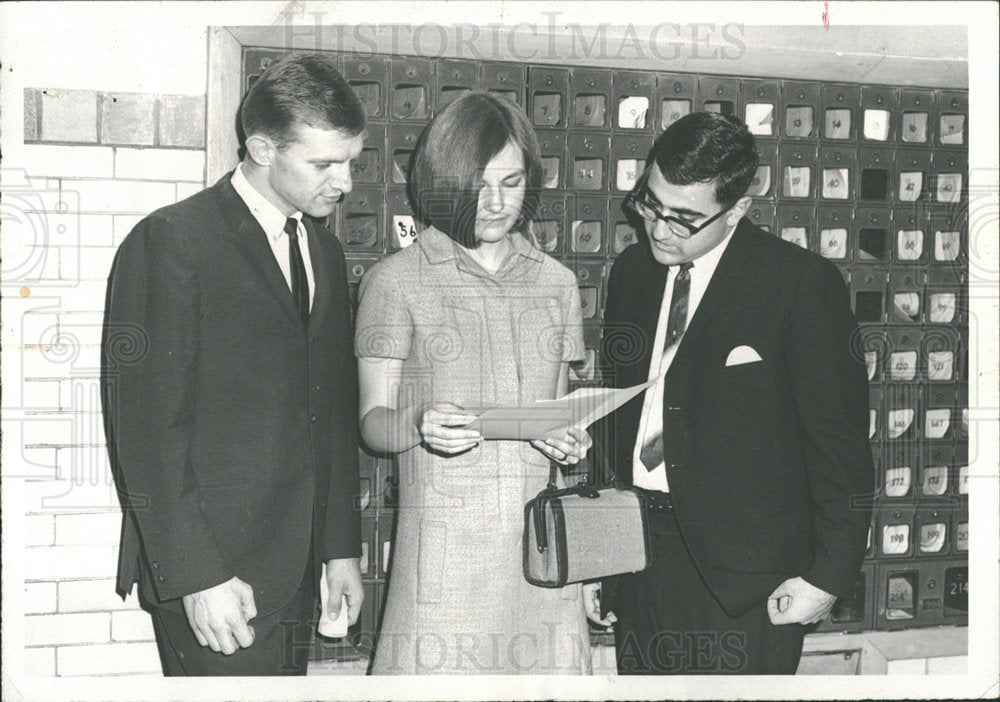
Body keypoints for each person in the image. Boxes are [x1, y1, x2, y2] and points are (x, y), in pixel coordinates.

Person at [101, 54, 365, 676]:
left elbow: (326, 412)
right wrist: (200, 576)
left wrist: (340, 551)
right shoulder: (171, 240)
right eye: (325, 163)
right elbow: (144, 431)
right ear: (262, 148)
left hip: (296, 570)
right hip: (214, 576)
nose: (346, 181)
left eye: (352, 160)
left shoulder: (322, 250)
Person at [595, 111, 874, 675]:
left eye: (685, 219)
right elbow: (619, 420)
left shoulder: (799, 284)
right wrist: (602, 558)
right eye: (651, 204)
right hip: (638, 559)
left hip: (749, 582)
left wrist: (827, 576)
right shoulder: (632, 273)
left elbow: (840, 446)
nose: (659, 230)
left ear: (738, 209)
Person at [354, 91, 597, 674]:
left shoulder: (556, 282)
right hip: (443, 562)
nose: (495, 203)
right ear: (443, 182)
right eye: (477, 184)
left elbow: (563, 419)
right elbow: (373, 424)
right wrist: (416, 422)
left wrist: (572, 441)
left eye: (511, 183)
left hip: (541, 557)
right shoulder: (396, 282)